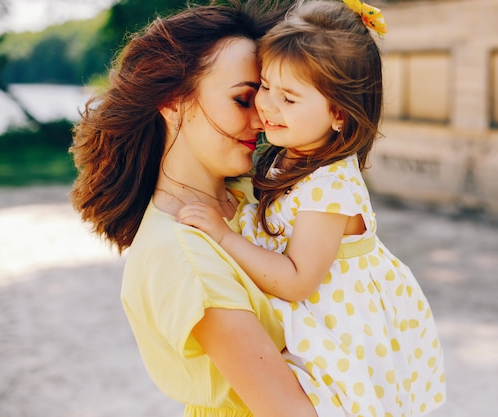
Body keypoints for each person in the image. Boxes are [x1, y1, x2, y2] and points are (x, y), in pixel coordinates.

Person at [177, 0, 447, 416]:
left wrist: (223, 235)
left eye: (289, 97)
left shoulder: (330, 187)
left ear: (338, 113)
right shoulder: (290, 152)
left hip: (343, 326)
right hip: (318, 314)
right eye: (265, 86)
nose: (267, 106)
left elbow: (298, 281)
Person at [69, 2, 320, 417]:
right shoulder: (183, 255)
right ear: (172, 100)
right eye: (244, 99)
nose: (263, 120)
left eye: (268, 99)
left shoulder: (257, 194)